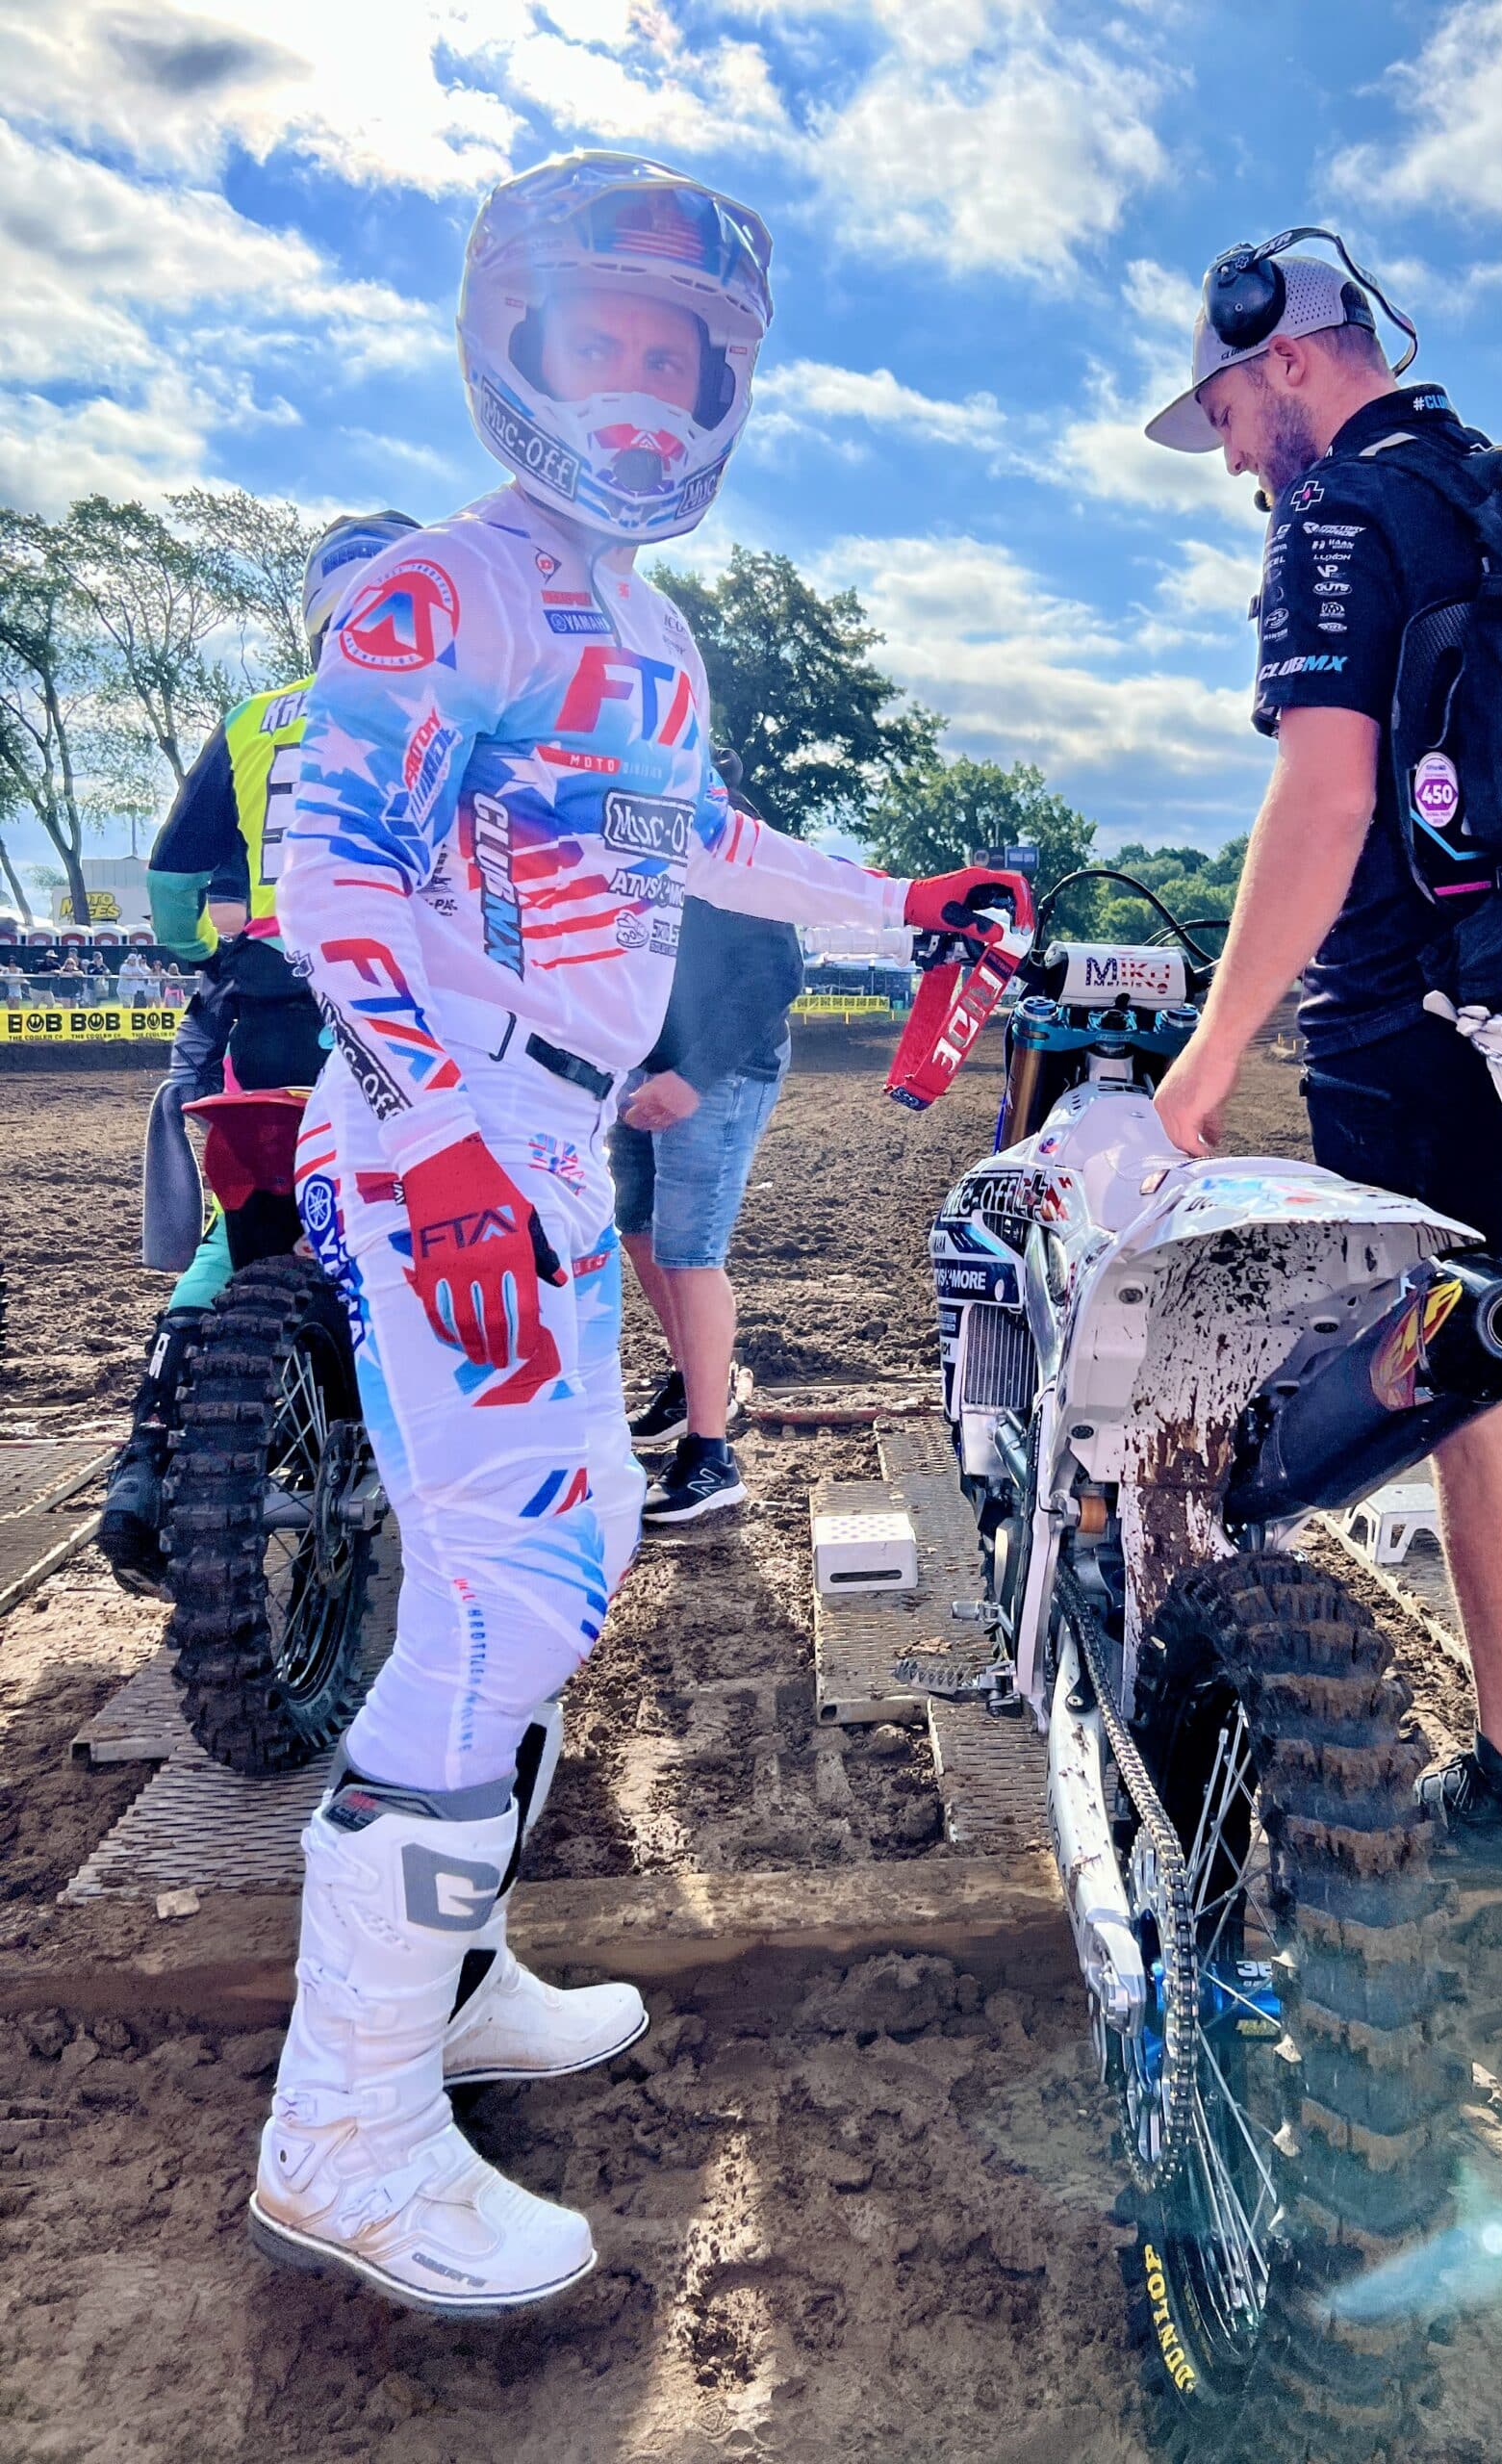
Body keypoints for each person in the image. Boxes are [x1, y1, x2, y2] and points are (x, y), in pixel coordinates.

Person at [254, 149, 1029, 2317]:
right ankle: (344, 2123)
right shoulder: (443, 585)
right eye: (603, 340)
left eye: (677, 356)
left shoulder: (653, 628)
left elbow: (709, 843)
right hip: (451, 1143)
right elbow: (337, 887)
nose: (641, 393)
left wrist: (903, 906)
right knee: (515, 1581)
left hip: (544, 1137)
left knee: (554, 1538)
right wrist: (448, 1139)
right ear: (513, 344)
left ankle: (454, 1969)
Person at [1146, 230, 1502, 1891]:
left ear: (1287, 360)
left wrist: (1216, 1046)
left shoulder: (1342, 517)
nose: (1225, 451)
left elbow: (1325, 796)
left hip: (1426, 1013)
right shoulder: (1498, 489)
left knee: (1468, 1378)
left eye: (1223, 409)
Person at [95, 511, 421, 1596]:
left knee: (240, 1232)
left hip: (270, 1012)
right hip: (406, 1010)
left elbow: (179, 896)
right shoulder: (448, 703)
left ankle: (147, 1449)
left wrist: (220, 943)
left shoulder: (252, 719)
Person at [614, 753, 800, 1525]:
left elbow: (778, 972)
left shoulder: (730, 831)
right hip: (645, 1061)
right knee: (639, 1230)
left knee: (691, 1254)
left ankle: (711, 1456)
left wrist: (692, 1077)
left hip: (721, 1066)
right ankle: (694, 1375)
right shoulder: (616, 813)